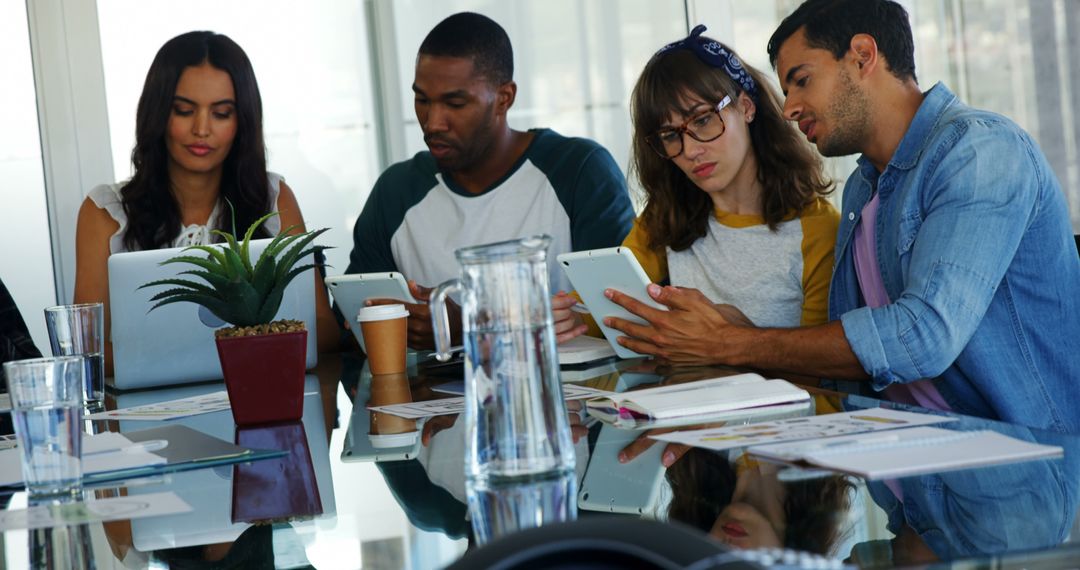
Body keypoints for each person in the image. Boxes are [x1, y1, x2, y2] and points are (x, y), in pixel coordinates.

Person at [602, 0, 1080, 433]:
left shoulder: (981, 151)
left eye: (802, 80)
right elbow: (838, 364)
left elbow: (922, 335)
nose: (787, 108)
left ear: (862, 55)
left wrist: (731, 342)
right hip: (898, 451)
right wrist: (734, 338)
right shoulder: (864, 187)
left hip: (1018, 462)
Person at [346, 12, 634, 350]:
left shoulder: (579, 170)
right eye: (422, 100)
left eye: (455, 103)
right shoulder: (395, 192)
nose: (433, 122)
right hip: (426, 398)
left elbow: (622, 314)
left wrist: (472, 326)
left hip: (566, 397)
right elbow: (351, 330)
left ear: (504, 98)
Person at [552, 25, 838, 344]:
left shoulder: (817, 229)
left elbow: (823, 378)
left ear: (746, 107)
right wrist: (564, 316)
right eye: (670, 136)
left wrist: (737, 338)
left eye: (703, 120)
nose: (690, 151)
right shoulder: (668, 215)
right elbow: (606, 303)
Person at [74, 31, 339, 372]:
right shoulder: (105, 212)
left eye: (221, 113)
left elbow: (324, 331)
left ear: (242, 120)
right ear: (157, 114)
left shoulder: (274, 198)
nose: (202, 129)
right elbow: (85, 352)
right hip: (149, 417)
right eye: (184, 110)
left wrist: (181, 356)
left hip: (258, 396)